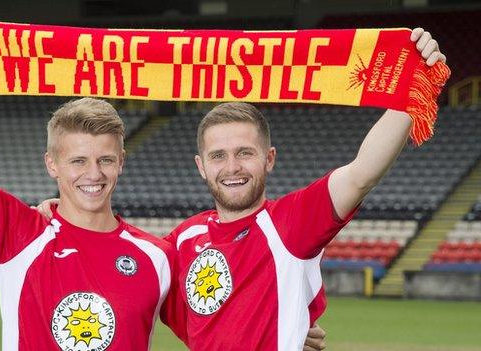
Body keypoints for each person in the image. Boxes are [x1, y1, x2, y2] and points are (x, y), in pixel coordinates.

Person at [0, 11, 326, 351]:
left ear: (122, 162)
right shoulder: (20, 235)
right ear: (52, 165)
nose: (93, 174)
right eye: (78, 161)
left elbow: (214, 316)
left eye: (105, 160)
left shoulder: (158, 257)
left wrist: (285, 333)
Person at [37, 28, 446, 350]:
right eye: (218, 156)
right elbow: (124, 276)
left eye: (244, 153)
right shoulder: (181, 242)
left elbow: (361, 173)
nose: (232, 167)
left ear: (268, 158)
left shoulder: (291, 224)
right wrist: (61, 217)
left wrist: (410, 85)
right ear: (201, 167)